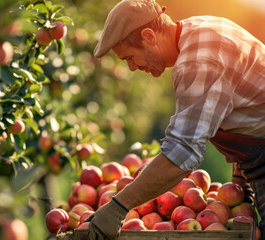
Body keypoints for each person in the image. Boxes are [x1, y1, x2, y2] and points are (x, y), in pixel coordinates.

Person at [86, 0, 265, 239]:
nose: (131, 68)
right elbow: (246, 105)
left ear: (149, 36)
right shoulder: (200, 29)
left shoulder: (198, 60)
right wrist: (238, 184)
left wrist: (118, 208)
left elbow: (182, 152)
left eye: (129, 57)